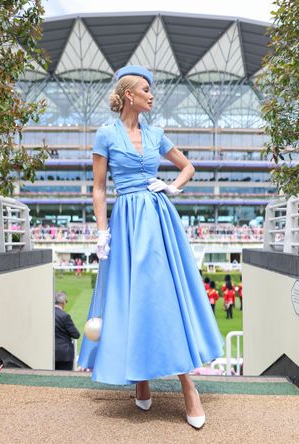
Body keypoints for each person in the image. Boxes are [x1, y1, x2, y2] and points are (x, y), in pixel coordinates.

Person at [78, 65, 223, 429]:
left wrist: (172, 187)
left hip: (158, 220)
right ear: (129, 95)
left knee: (162, 295)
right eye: (147, 89)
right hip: (125, 222)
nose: (152, 95)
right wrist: (101, 233)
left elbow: (188, 166)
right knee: (132, 297)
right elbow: (98, 188)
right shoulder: (105, 135)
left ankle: (188, 386)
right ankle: (140, 379)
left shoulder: (156, 133)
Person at [55, 291, 80, 370]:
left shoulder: (46, 314)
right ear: (63, 302)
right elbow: (76, 334)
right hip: (64, 355)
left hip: (49, 352)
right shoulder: (64, 316)